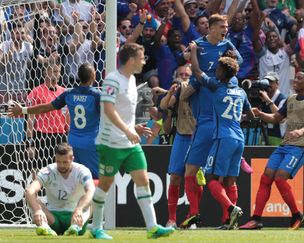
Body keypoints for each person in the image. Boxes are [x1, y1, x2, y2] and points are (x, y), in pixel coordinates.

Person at [90, 43, 175, 239]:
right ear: (130, 60)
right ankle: (95, 228)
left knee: (143, 180)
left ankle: (152, 228)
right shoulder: (112, 79)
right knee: (105, 184)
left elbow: (123, 112)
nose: (144, 61)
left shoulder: (132, 80)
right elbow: (108, 109)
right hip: (110, 142)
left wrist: (133, 129)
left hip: (130, 142)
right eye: (142, 58)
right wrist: (128, 131)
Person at [240, 70, 304, 230]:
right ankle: (256, 219)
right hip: (285, 145)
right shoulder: (291, 99)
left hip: (301, 146)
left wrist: (302, 131)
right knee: (266, 178)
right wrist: (260, 114)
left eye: (300, 78)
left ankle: (296, 215)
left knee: (280, 178)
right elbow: (277, 118)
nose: (296, 80)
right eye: (295, 77)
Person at [180, 13, 242, 229]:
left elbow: (199, 71)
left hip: (210, 120)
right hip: (224, 125)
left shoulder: (227, 47)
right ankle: (228, 217)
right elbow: (187, 60)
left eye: (227, 25)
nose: (226, 29)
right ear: (211, 27)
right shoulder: (198, 45)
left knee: (192, 170)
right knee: (222, 176)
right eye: (223, 26)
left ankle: (197, 212)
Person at [189, 41, 255, 230]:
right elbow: (249, 115)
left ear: (221, 73)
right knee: (230, 181)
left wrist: (194, 51)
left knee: (213, 181)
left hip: (223, 138)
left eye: (217, 68)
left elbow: (197, 71)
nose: (215, 71)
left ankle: (231, 208)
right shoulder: (241, 92)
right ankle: (229, 222)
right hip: (239, 139)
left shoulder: (216, 86)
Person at [8, 63, 101, 179]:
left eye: (59, 72)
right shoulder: (97, 95)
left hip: (68, 139)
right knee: (92, 178)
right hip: (49, 137)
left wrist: (22, 110)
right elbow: (110, 116)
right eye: (54, 71)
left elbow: (48, 108)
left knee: (69, 175)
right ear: (94, 76)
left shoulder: (67, 93)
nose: (57, 75)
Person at [25, 143, 95, 236]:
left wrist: (79, 209)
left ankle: (74, 228)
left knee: (91, 201)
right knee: (32, 198)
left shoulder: (82, 171)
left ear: (72, 159)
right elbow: (30, 191)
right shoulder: (48, 171)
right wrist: (38, 210)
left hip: (75, 217)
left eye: (65, 162)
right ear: (55, 159)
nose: (61, 165)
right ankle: (45, 228)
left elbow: (91, 190)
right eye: (58, 161)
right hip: (53, 218)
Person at [159, 65, 196, 228]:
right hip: (182, 136)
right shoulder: (179, 90)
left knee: (194, 180)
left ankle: (192, 217)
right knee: (175, 177)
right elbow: (163, 106)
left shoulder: (199, 87)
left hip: (198, 137)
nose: (183, 77)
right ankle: (172, 219)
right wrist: (170, 93)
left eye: (186, 74)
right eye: (181, 74)